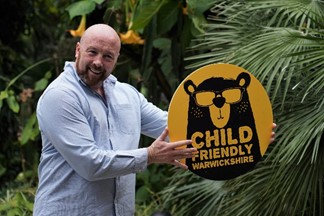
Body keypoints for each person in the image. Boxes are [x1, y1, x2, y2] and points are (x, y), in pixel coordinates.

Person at [33, 24, 276, 216]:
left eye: (108, 56)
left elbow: (176, 127)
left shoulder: (126, 94)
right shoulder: (61, 96)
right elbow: (90, 164)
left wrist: (250, 130)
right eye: (92, 52)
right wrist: (149, 155)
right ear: (78, 50)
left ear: (117, 58)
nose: (98, 62)